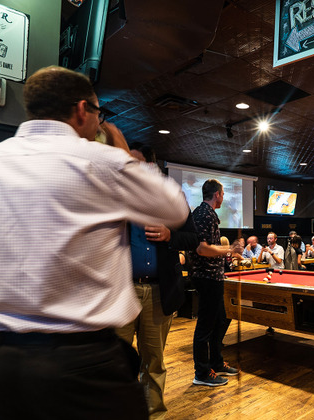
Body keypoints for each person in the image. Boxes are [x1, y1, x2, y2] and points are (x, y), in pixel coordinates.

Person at [0, 66, 191, 420]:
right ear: (82, 110)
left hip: (3, 359)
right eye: (99, 114)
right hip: (84, 361)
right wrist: (120, 146)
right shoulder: (101, 161)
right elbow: (173, 207)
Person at [115, 148, 199, 420]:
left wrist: (170, 235)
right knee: (117, 360)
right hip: (121, 291)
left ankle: (154, 414)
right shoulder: (117, 197)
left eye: (138, 162)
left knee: (154, 361)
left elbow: (193, 239)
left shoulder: (169, 200)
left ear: (151, 166)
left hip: (158, 292)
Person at [190, 179, 240, 387]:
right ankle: (202, 373)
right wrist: (230, 250)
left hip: (213, 277)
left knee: (220, 320)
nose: (223, 197)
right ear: (217, 194)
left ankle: (216, 362)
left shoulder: (208, 213)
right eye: (223, 194)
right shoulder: (204, 214)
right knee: (205, 326)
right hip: (207, 277)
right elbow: (202, 249)